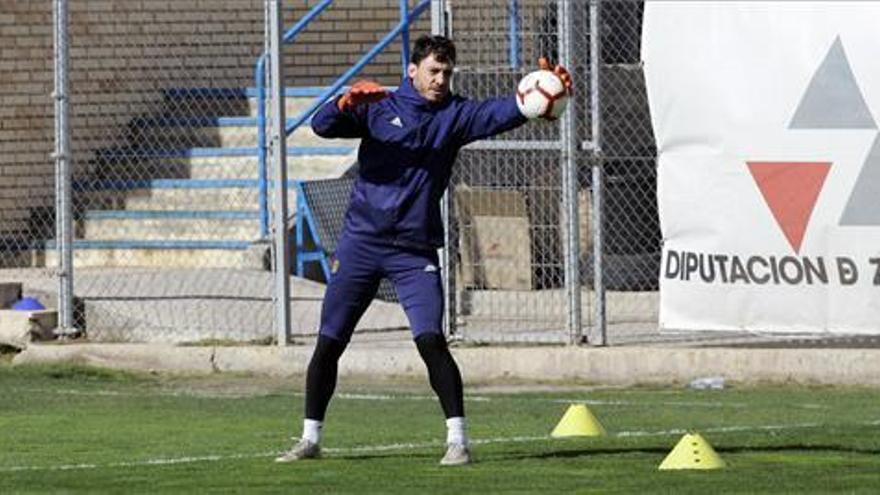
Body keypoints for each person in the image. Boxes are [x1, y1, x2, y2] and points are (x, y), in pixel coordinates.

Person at [276, 34, 572, 466]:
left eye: (447, 73)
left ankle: (458, 441)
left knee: (431, 340)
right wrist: (344, 102)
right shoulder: (379, 106)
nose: (440, 80)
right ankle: (310, 439)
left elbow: (503, 112)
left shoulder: (455, 115)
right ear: (411, 71)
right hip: (360, 245)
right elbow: (321, 127)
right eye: (433, 71)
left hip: (413, 253)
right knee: (329, 342)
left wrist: (545, 93)